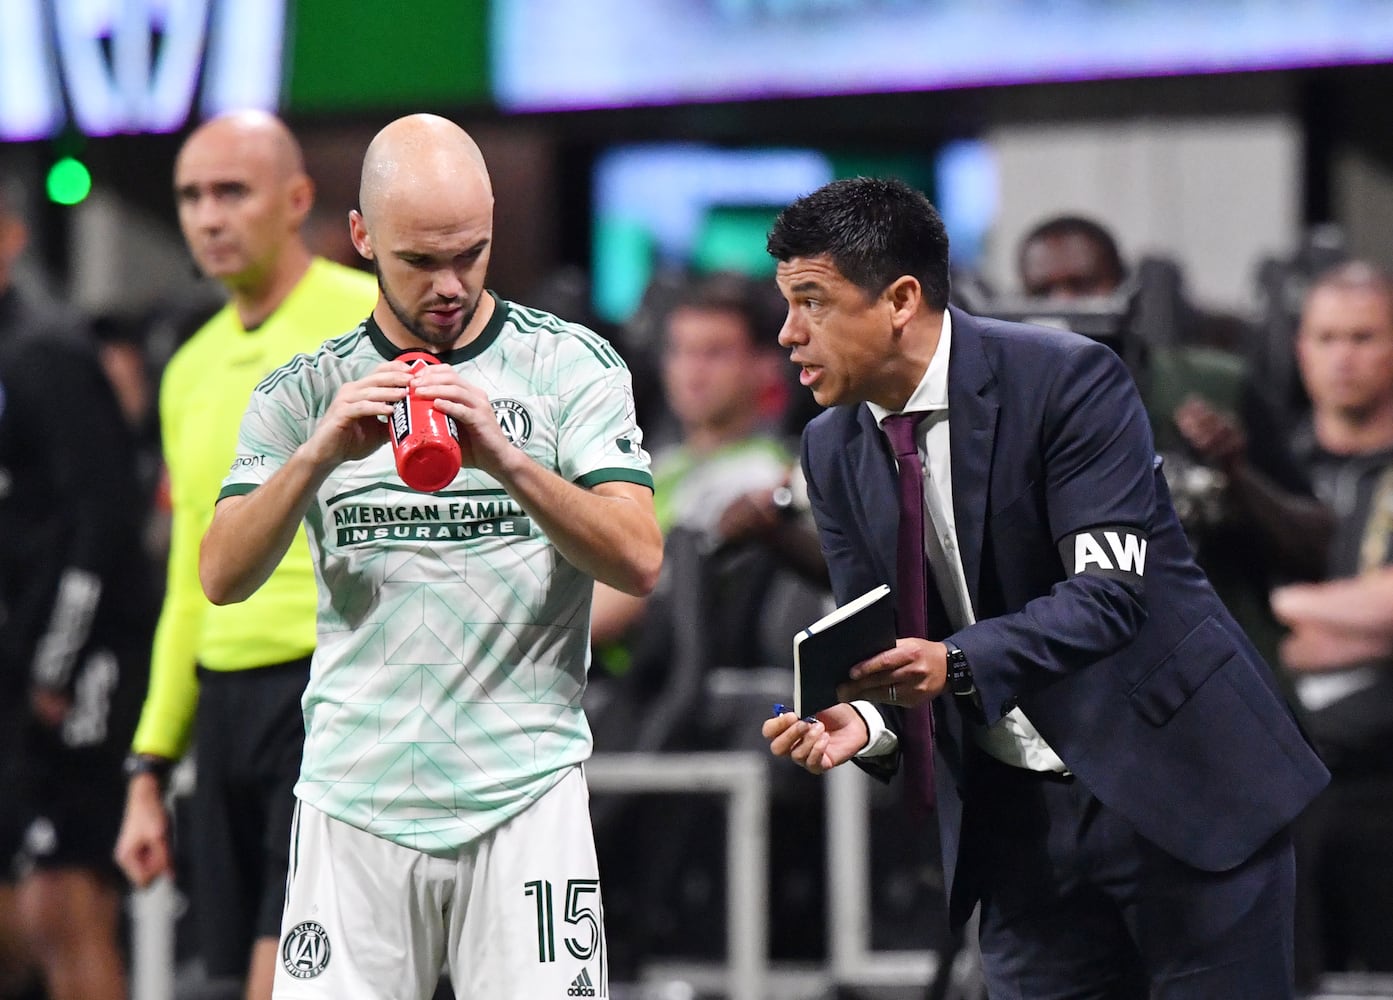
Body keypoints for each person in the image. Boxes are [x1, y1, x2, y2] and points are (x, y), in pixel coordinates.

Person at [760, 177, 1329, 997]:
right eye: (786, 304)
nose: (787, 334)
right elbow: (881, 645)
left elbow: (1107, 596)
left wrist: (953, 664)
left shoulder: (1068, 381)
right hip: (1014, 832)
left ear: (900, 299)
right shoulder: (829, 448)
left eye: (810, 301)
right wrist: (863, 720)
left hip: (1178, 792)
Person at [198, 113, 661, 999]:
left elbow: (639, 559)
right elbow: (222, 576)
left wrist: (509, 461)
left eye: (471, 254)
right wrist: (317, 457)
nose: (449, 285)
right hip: (354, 803)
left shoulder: (571, 369)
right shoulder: (303, 392)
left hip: (523, 794)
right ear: (361, 236)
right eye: (419, 261)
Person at [112, 111, 378, 1000]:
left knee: (286, 982)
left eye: (232, 191)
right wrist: (152, 765)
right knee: (236, 981)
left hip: (334, 693)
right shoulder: (186, 369)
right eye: (191, 196)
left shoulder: (367, 321)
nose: (208, 216)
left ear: (297, 200)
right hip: (226, 713)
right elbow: (190, 579)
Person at [1017, 214, 1330, 668]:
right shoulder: (1009, 408)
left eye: (1084, 285)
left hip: (1223, 669)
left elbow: (1317, 551)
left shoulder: (1215, 386)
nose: (1065, 306)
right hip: (1082, 679)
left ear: (1126, 290)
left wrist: (1237, 478)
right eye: (1043, 292)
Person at [0, 175, 156, 1000]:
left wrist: (53, 668)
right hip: (19, 668)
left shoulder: (45, 353)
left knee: (66, 905)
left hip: (78, 667)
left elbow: (103, 524)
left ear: (11, 239)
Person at [1266, 261, 1393, 986]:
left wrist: (1274, 609)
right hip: (1287, 787)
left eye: (1363, 337)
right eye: (1326, 337)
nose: (1342, 355)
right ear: (1300, 349)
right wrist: (1362, 613)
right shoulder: (1265, 463)